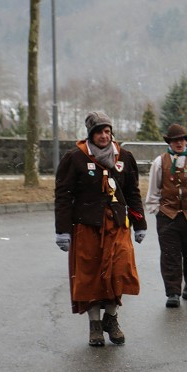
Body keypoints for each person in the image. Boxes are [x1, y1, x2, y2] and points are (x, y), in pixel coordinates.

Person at [54, 111, 145, 346]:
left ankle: (111, 318)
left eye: (107, 131)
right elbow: (63, 195)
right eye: (98, 132)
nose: (104, 136)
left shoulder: (124, 157)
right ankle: (95, 325)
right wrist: (62, 230)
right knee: (90, 277)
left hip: (117, 225)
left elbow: (133, 193)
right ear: (90, 135)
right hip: (87, 226)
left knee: (120, 272)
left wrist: (139, 224)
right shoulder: (75, 158)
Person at [144, 124, 187, 308]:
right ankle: (172, 292)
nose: (179, 143)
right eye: (175, 140)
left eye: (182, 139)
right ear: (170, 142)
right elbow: (154, 188)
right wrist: (155, 209)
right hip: (168, 216)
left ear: (186, 141)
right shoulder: (160, 162)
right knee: (170, 255)